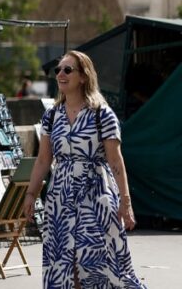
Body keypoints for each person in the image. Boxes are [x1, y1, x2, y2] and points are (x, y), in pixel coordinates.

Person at [23, 51, 145, 288]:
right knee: (64, 266)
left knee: (104, 264)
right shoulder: (51, 116)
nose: (60, 74)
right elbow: (43, 161)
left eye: (67, 70)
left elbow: (116, 161)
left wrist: (126, 202)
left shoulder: (102, 114)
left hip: (96, 196)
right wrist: (31, 193)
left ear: (83, 76)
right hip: (60, 197)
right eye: (58, 69)